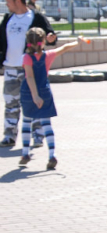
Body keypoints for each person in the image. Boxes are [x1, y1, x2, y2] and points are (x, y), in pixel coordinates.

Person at [18, 28, 86, 169]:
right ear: (43, 41)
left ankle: (25, 153)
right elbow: (64, 48)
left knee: (26, 121)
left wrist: (34, 95)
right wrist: (77, 42)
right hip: (44, 92)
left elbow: (29, 76)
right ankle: (52, 154)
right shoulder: (48, 55)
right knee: (46, 123)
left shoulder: (26, 58)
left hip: (28, 93)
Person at [1, 0, 56, 148]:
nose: (6, 4)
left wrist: (51, 38)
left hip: (30, 68)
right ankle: (9, 136)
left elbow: (49, 34)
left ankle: (37, 136)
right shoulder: (8, 18)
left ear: (18, 1)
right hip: (11, 67)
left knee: (34, 100)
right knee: (11, 102)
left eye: (8, 0)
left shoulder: (35, 17)